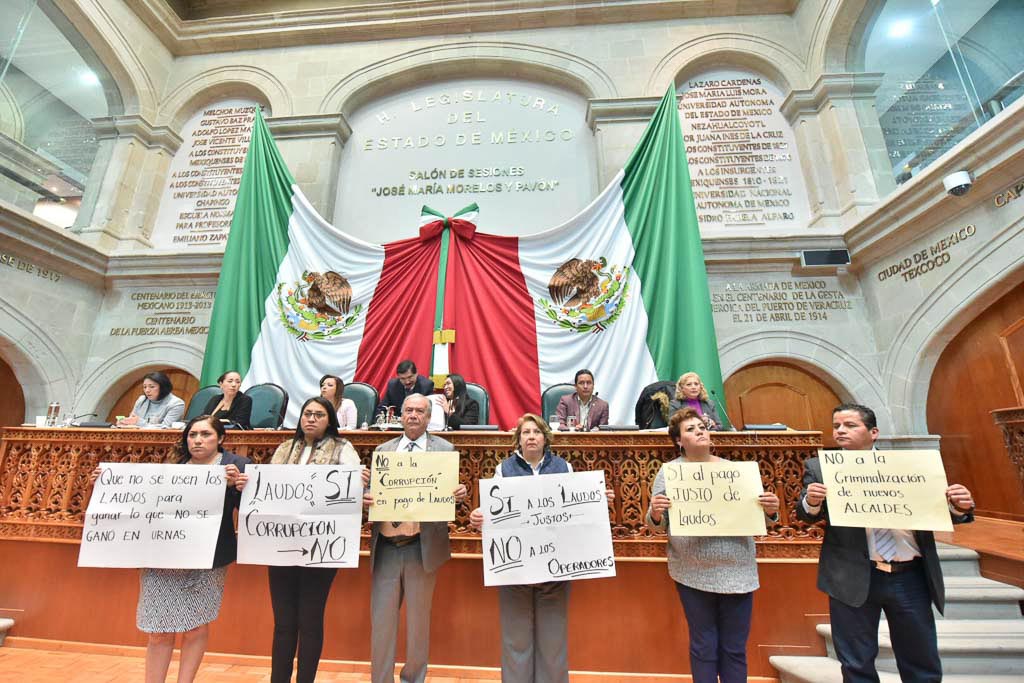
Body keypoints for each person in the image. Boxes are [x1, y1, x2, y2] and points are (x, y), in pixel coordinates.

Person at [797, 404, 975, 683]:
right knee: (856, 663)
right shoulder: (820, 468)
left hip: (910, 575)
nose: (841, 430)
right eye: (837, 426)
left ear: (874, 432)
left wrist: (958, 507)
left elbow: (940, 508)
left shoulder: (909, 467)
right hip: (853, 574)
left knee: (921, 660)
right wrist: (812, 501)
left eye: (850, 425)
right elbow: (805, 514)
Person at [90, 415, 248, 683]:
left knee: (196, 626)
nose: (197, 440)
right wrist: (104, 484)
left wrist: (240, 489)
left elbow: (249, 511)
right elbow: (142, 505)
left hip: (208, 559)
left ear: (220, 438)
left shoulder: (236, 465)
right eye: (192, 435)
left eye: (205, 434)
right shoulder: (173, 465)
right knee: (158, 630)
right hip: (162, 557)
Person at [468, 413, 614, 683]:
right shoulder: (504, 469)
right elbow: (495, 514)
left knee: (553, 644)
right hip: (515, 574)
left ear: (545, 437)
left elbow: (576, 514)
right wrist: (480, 516)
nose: (531, 436)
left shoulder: (564, 467)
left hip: (554, 574)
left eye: (536, 432)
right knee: (516, 642)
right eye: (526, 432)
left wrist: (595, 500)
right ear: (518, 439)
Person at [647, 408, 779, 683]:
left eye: (702, 426)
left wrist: (771, 509)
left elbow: (761, 518)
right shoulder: (670, 472)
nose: (700, 431)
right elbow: (656, 524)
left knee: (734, 648)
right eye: (691, 429)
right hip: (692, 571)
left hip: (738, 569)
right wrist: (656, 513)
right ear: (679, 441)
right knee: (703, 646)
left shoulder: (735, 472)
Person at [234, 396, 360, 683]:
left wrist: (359, 479)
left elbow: (351, 490)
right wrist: (247, 485)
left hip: (321, 547)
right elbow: (265, 491)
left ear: (330, 420)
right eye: (307, 414)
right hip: (281, 546)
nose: (311, 419)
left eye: (318, 414)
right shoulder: (284, 448)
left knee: (310, 619)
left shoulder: (343, 449)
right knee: (283, 623)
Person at [362, 393, 467, 683]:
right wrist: (367, 497)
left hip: (422, 548)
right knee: (382, 623)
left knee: (419, 623)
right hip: (386, 547)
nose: (413, 415)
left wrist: (459, 496)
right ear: (401, 414)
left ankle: (414, 679)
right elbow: (372, 495)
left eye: (420, 411)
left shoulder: (444, 450)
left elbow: (452, 498)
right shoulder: (384, 449)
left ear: (428, 416)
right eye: (408, 410)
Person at [117, 371, 186, 429]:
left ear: (163, 387)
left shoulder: (176, 404)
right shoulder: (142, 400)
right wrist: (125, 422)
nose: (147, 390)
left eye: (152, 387)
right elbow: (132, 421)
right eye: (144, 387)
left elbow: (165, 429)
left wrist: (139, 422)